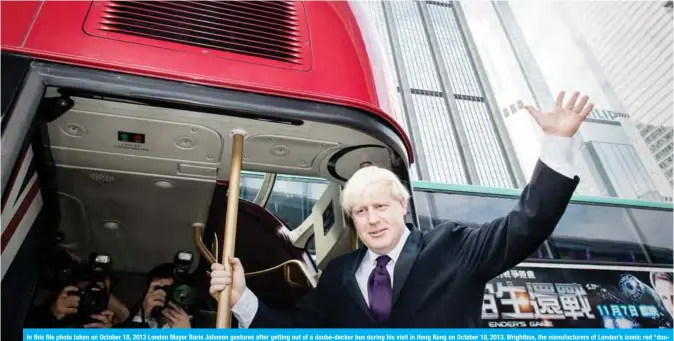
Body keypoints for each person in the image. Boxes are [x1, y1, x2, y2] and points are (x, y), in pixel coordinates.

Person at [210, 91, 593, 327]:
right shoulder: (338, 274)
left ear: (402, 204)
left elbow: (527, 223)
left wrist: (556, 144)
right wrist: (241, 298)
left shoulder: (453, 247)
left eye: (379, 205)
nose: (372, 219)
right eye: (360, 211)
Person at [129, 263, 192, 328]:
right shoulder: (133, 315)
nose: (164, 294)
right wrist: (142, 315)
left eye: (170, 290)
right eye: (158, 289)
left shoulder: (197, 321)